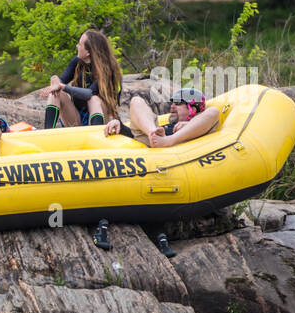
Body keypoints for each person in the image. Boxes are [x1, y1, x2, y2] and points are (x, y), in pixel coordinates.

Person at [94, 87, 220, 255]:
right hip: (150, 142)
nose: (172, 107)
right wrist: (120, 126)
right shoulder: (165, 125)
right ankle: (153, 133)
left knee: (213, 111)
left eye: (178, 104)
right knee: (136, 100)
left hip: (171, 159)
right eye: (172, 103)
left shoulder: (201, 126)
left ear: (193, 109)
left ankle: (165, 140)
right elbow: (133, 137)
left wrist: (182, 130)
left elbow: (212, 114)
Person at [39, 29, 122, 128]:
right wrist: (55, 80)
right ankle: (47, 132)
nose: (77, 46)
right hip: (77, 118)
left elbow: (88, 93)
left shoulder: (107, 69)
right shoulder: (77, 62)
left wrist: (63, 87)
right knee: (56, 93)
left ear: (88, 52)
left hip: (102, 117)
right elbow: (61, 80)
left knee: (94, 99)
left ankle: (97, 136)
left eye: (80, 44)